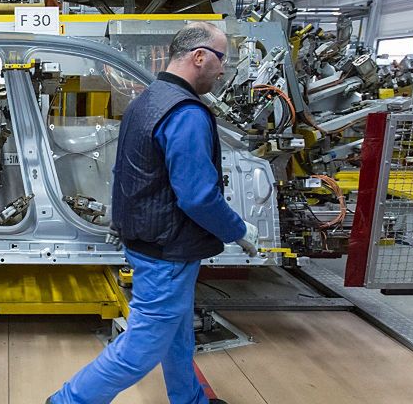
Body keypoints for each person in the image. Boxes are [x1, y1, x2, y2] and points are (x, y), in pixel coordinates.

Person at [49, 22, 258, 404]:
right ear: (199, 57)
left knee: (177, 335)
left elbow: (129, 171)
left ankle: (189, 399)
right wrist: (237, 229)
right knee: (140, 350)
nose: (224, 69)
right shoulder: (186, 113)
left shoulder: (148, 99)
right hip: (169, 250)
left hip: (149, 240)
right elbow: (197, 197)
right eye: (222, 58)